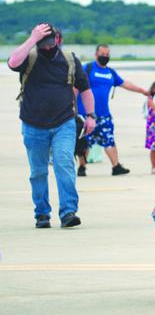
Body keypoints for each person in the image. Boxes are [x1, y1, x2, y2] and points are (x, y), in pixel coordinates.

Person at [9, 23, 96, 228]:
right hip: (33, 124)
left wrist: (91, 116)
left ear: (58, 39)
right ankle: (42, 213)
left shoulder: (69, 59)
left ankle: (68, 212)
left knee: (64, 163)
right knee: (38, 171)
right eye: (42, 43)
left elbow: (85, 89)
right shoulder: (29, 57)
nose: (46, 47)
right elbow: (12, 62)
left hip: (63, 122)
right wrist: (32, 39)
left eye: (49, 42)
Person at [76, 44, 148, 177]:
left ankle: (116, 166)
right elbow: (75, 85)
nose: (104, 56)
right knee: (84, 142)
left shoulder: (110, 72)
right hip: (86, 114)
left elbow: (125, 83)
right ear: (96, 55)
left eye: (107, 54)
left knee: (109, 140)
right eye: (102, 54)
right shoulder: (88, 68)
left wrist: (143, 91)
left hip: (104, 115)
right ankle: (82, 167)